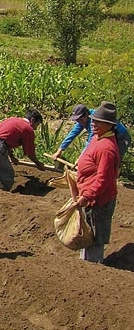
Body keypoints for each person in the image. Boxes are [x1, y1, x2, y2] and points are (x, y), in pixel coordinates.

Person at [75, 102, 121, 263]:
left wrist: (87, 195)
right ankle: (85, 264)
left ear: (109, 125)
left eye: (97, 122)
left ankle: (93, 266)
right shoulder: (98, 137)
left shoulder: (106, 148)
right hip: (90, 196)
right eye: (93, 120)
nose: (93, 124)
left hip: (98, 200)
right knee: (87, 234)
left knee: (95, 237)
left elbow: (103, 179)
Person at [0, 109, 46, 192]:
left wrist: (12, 157)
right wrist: (38, 163)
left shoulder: (13, 120)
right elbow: (30, 153)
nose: (35, 128)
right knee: (7, 175)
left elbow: (5, 139)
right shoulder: (27, 128)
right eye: (37, 125)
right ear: (32, 120)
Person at [52, 103, 130, 166]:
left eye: (80, 119)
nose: (79, 121)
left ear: (86, 114)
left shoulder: (95, 120)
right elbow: (72, 134)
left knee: (113, 158)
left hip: (121, 137)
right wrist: (60, 150)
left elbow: (90, 141)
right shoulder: (82, 120)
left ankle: (113, 175)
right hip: (107, 137)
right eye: (77, 120)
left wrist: (81, 159)